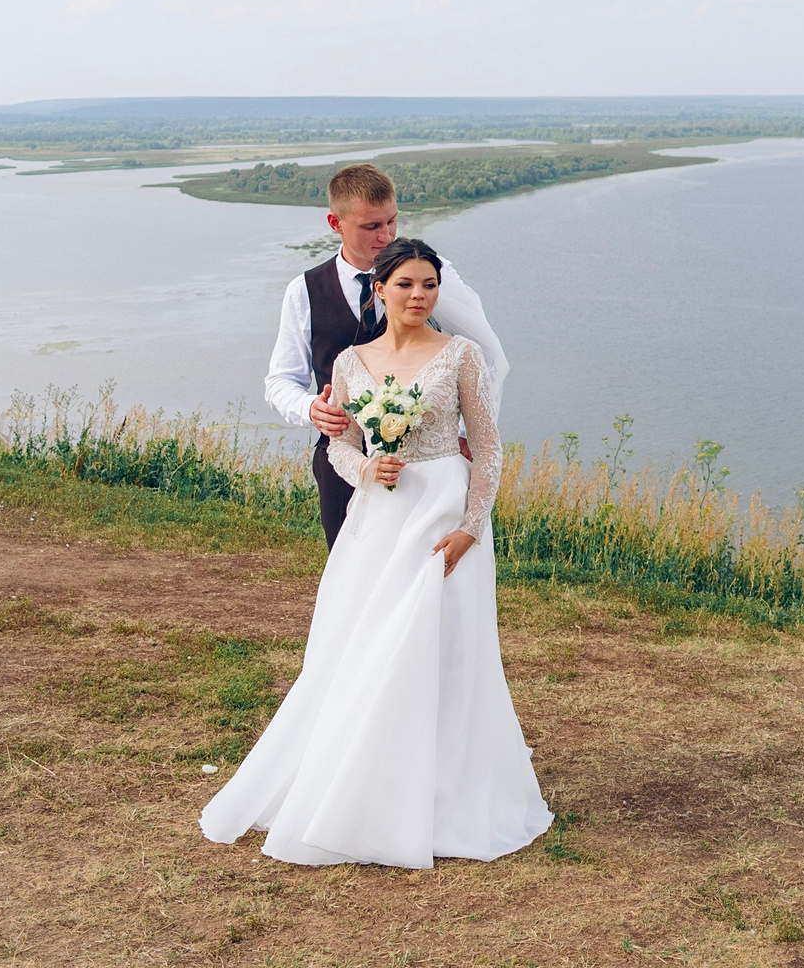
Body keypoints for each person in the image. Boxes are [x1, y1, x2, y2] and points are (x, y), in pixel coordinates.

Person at [202, 236, 552, 866]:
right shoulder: (349, 363)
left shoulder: (462, 356)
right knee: (365, 643)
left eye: (430, 286)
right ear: (380, 290)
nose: (420, 296)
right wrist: (366, 470)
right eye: (407, 285)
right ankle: (363, 783)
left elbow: (490, 448)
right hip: (379, 515)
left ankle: (445, 793)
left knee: (441, 644)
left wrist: (472, 526)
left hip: (444, 510)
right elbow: (339, 446)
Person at [263, 164, 507, 547]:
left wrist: (463, 433)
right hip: (342, 462)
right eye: (371, 226)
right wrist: (310, 407)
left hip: (423, 470)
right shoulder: (304, 291)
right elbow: (280, 380)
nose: (387, 235)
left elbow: (485, 356)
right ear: (335, 222)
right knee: (354, 574)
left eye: (391, 221)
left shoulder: (432, 273)